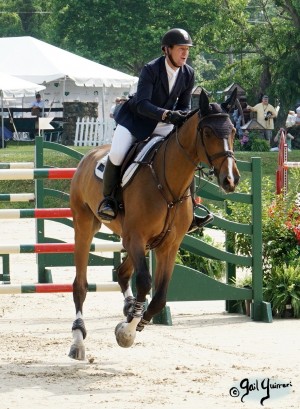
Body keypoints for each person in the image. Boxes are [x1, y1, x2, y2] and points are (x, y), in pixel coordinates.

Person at [98, 28, 209, 232]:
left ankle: (191, 208)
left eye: (187, 50)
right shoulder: (151, 69)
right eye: (181, 49)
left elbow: (184, 105)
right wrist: (168, 114)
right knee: (117, 153)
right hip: (136, 121)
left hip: (164, 124)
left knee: (184, 156)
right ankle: (109, 201)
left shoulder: (188, 73)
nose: (185, 54)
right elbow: (142, 104)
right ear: (167, 50)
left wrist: (180, 116)